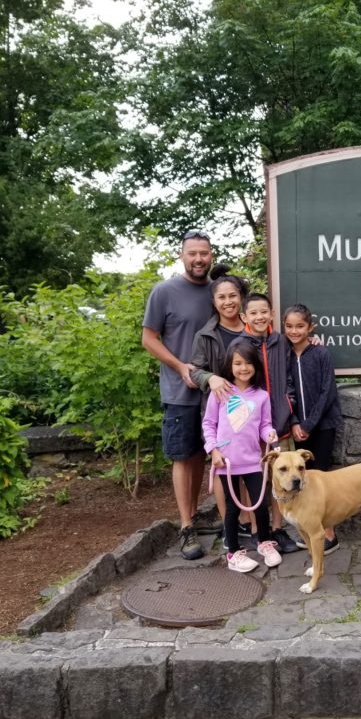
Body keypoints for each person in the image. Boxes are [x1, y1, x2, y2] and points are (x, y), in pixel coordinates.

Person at [141, 229, 222, 560]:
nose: (199, 259)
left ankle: (197, 518)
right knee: (181, 457)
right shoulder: (164, 292)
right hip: (179, 391)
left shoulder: (218, 291)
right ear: (182, 255)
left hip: (213, 392)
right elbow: (149, 338)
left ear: (211, 255)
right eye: (193, 253)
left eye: (204, 253)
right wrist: (180, 367)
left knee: (199, 455)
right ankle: (186, 526)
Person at [202, 339, 281, 573]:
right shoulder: (220, 392)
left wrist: (271, 435)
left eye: (248, 363)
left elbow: (265, 426)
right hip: (226, 463)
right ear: (230, 365)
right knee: (233, 507)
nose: (243, 368)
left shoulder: (261, 396)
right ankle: (233, 553)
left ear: (255, 366)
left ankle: (264, 542)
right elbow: (209, 424)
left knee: (260, 505)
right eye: (238, 363)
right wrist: (213, 450)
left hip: (253, 462)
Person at [189, 272, 252, 543]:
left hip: (252, 407)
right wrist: (210, 378)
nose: (228, 302)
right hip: (221, 410)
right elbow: (194, 371)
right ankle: (230, 523)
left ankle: (250, 521)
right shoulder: (206, 335)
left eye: (233, 296)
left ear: (241, 298)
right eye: (222, 297)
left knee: (250, 464)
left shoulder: (254, 328)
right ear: (214, 302)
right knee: (222, 464)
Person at [239, 292, 301, 554]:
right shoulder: (239, 344)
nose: (259, 317)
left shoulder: (281, 341)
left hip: (281, 423)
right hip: (251, 427)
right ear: (244, 317)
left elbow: (290, 378)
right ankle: (257, 531)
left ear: (272, 314)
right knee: (255, 481)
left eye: (263, 311)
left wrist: (291, 410)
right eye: (253, 313)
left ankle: (277, 529)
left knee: (280, 477)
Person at [284, 303, 343, 553]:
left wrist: (309, 424)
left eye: (300, 326)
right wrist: (296, 422)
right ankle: (311, 530)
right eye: (289, 326)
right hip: (299, 428)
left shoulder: (320, 353)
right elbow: (288, 392)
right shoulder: (285, 355)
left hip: (323, 425)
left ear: (311, 327)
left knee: (321, 476)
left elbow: (327, 392)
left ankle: (330, 535)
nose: (295, 331)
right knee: (302, 480)